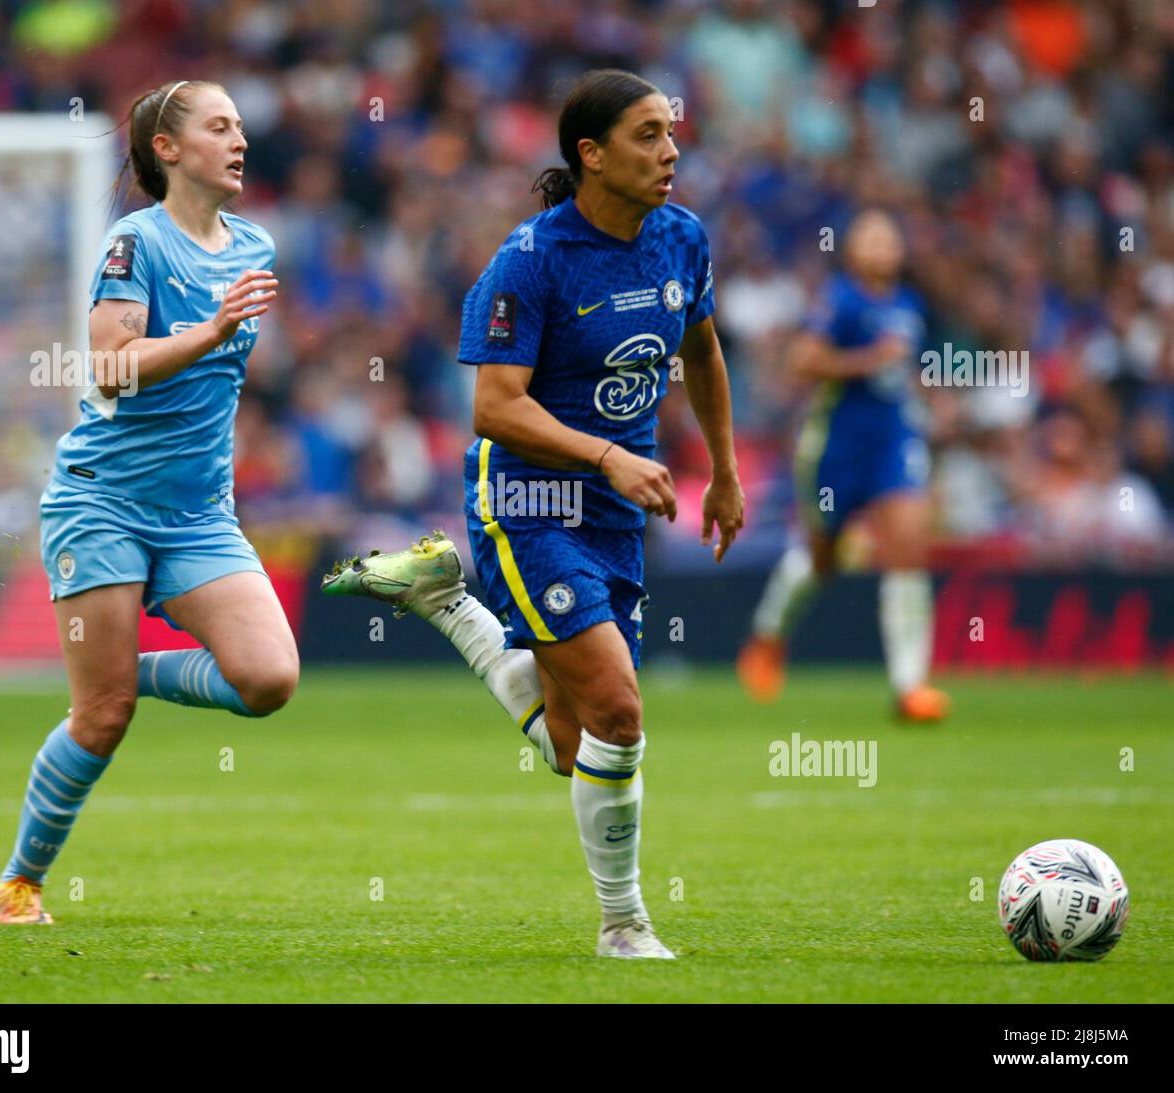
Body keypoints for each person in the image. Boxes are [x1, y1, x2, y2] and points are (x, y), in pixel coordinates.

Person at [323, 69, 744, 958]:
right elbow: (494, 407)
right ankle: (624, 923)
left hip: (615, 510)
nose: (670, 152)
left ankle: (444, 600)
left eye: (670, 133)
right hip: (528, 499)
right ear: (590, 155)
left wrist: (728, 472)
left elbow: (702, 349)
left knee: (571, 744)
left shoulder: (681, 238)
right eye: (646, 135)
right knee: (621, 717)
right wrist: (607, 454)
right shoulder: (532, 260)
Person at [0, 80, 300, 924]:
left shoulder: (256, 244)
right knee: (101, 715)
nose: (240, 139)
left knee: (269, 679)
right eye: (220, 125)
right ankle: (21, 881)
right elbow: (109, 365)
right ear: (168, 148)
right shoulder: (136, 242)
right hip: (104, 502)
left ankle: (137, 673)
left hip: (199, 512)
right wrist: (208, 333)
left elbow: (222, 379)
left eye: (242, 124)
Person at [737, 209, 949, 721]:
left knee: (906, 550)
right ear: (852, 251)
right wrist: (866, 360)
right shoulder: (840, 300)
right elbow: (802, 361)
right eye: (870, 239)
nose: (881, 247)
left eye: (889, 238)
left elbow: (901, 373)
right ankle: (767, 638)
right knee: (823, 558)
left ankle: (909, 687)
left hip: (893, 441)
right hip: (836, 445)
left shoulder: (909, 304)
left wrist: (931, 401)